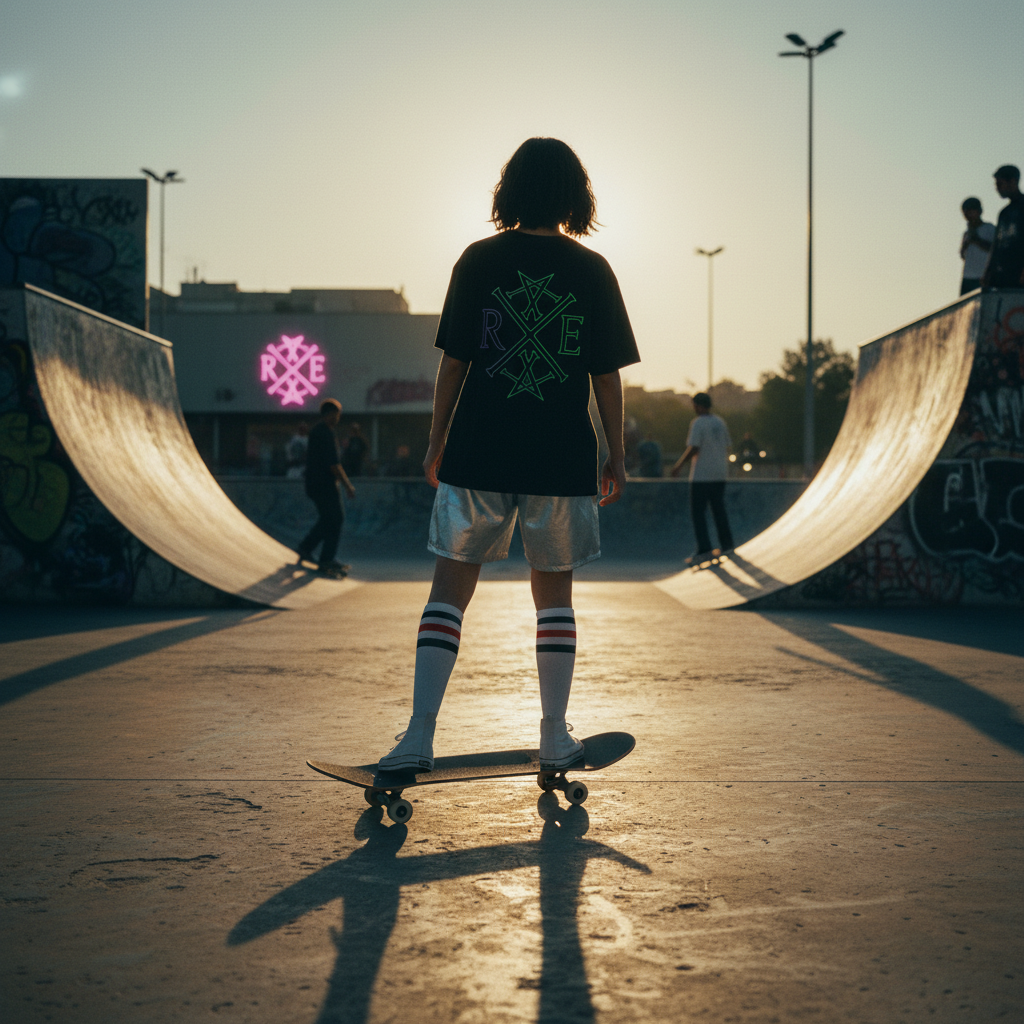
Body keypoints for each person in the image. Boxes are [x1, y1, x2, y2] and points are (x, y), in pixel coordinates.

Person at [377, 137, 639, 773]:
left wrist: (437, 441)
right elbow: (606, 376)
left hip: (481, 448)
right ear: (576, 195)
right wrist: (615, 454)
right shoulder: (592, 269)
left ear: (509, 191)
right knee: (554, 599)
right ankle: (553, 734)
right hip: (559, 454)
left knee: (449, 590)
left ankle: (417, 735)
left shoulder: (477, 259)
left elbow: (455, 363)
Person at [669, 392, 733, 563]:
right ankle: (727, 544)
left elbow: (694, 448)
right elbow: (727, 447)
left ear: (698, 405)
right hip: (720, 474)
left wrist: (679, 466)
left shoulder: (698, 423)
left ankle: (704, 548)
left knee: (698, 512)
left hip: (702, 476)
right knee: (718, 510)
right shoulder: (720, 422)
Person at [297, 399, 356, 577]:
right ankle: (326, 559)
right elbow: (333, 464)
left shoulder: (317, 431)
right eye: (337, 414)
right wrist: (348, 485)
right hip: (324, 484)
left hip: (315, 484)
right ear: (330, 413)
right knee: (336, 518)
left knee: (328, 519)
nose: (338, 418)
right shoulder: (325, 433)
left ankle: (307, 547)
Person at [982, 165, 1024, 290]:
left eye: (1000, 184)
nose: (997, 188)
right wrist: (988, 271)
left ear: (1013, 181)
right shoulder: (1004, 213)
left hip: (1018, 272)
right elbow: (996, 245)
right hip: (1001, 275)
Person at [958, 198, 994, 295]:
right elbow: (963, 255)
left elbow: (994, 249)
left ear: (978, 211)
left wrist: (976, 240)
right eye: (965, 212)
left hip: (983, 276)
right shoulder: (966, 233)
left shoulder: (989, 228)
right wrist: (966, 243)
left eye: (970, 211)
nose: (968, 215)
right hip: (967, 277)